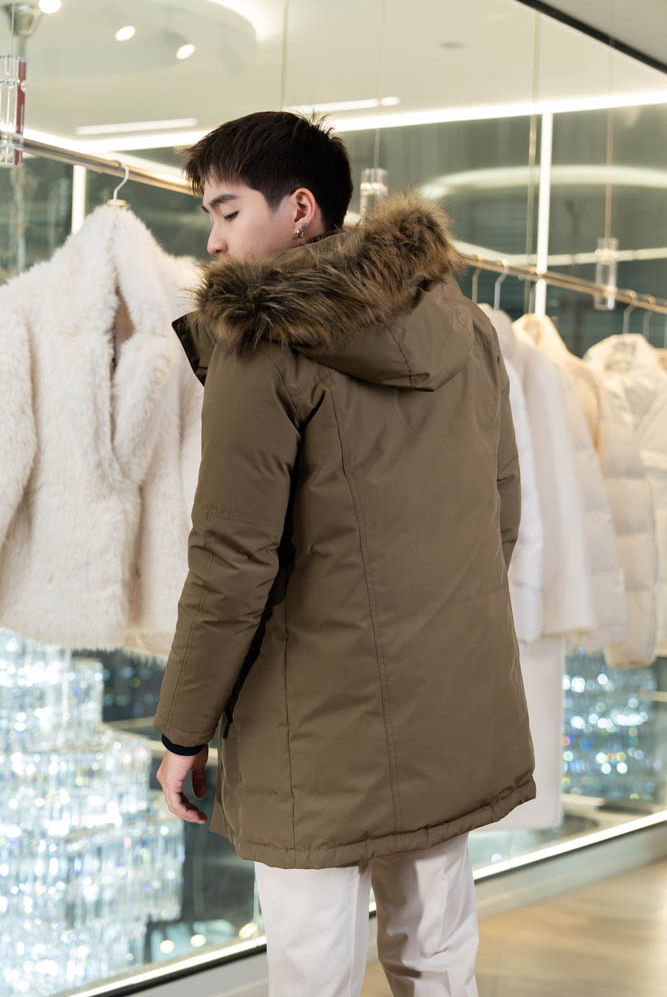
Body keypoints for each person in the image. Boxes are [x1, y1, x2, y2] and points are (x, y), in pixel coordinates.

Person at [153, 111, 535, 997]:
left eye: (226, 212)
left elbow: (230, 564)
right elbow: (498, 510)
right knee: (438, 955)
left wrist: (182, 732)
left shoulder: (259, 344)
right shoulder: (464, 324)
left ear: (299, 209)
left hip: (311, 728)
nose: (213, 242)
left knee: (312, 969)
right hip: (446, 700)